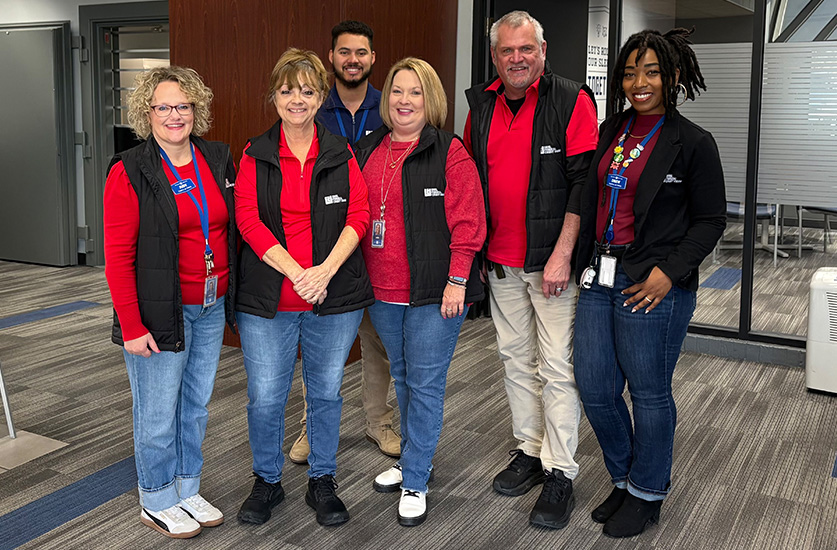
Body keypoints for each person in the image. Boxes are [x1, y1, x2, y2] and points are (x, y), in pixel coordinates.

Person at [573, 28, 726, 538]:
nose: (639, 82)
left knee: (649, 393)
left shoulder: (693, 143)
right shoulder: (611, 129)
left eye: (652, 71)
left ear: (674, 77)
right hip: (600, 275)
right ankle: (625, 476)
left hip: (652, 283)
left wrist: (669, 273)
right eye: (631, 71)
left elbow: (710, 221)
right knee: (594, 387)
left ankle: (647, 491)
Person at [463, 10, 598, 529]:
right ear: (495, 55)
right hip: (500, 261)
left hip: (550, 265)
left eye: (526, 49)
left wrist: (563, 253)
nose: (516, 59)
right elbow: (474, 181)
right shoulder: (482, 103)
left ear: (542, 52)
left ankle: (560, 471)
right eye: (506, 51)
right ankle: (530, 450)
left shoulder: (570, 99)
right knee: (515, 361)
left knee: (557, 368)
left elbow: (582, 182)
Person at [234, 48, 372, 528]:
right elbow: (248, 220)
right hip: (268, 302)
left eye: (308, 91)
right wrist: (298, 272)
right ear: (274, 96)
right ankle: (267, 481)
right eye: (288, 90)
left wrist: (324, 272)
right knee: (266, 396)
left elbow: (359, 215)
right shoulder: (254, 153)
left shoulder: (341, 151)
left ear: (320, 98)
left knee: (326, 393)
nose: (297, 99)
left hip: (331, 301)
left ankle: (322, 480)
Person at [103, 66, 237, 539]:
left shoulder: (217, 159)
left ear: (195, 110)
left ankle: (186, 485)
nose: (174, 115)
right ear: (147, 112)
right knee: (157, 411)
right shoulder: (131, 169)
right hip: (159, 310)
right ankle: (156, 497)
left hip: (210, 303)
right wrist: (132, 324)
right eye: (163, 106)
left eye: (183, 105)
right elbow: (118, 258)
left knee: (196, 405)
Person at [354, 57, 486, 527]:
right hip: (383, 294)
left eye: (415, 92)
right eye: (396, 91)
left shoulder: (449, 151)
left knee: (425, 385)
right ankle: (415, 458)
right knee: (405, 378)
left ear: (430, 100)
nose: (404, 101)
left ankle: (415, 479)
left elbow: (469, 223)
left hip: (435, 293)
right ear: (385, 99)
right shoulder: (369, 148)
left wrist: (457, 280)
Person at [286, 20, 398, 465]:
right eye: (345, 52)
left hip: (378, 248)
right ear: (331, 58)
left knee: (380, 347)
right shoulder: (310, 104)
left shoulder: (389, 108)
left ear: (373, 59)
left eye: (362, 52)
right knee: (318, 348)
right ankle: (311, 427)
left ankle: (378, 421)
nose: (353, 60)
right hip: (321, 253)